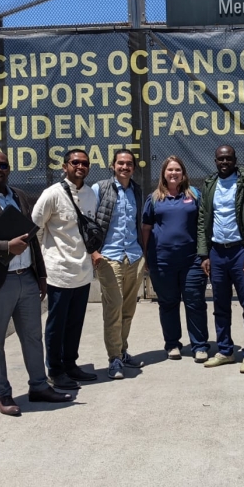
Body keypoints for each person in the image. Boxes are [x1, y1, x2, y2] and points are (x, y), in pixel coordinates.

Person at [0, 150, 73, 416]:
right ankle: (2, 394)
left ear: (9, 169)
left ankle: (39, 386)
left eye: (2, 165)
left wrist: (41, 275)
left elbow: (32, 238)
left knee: (33, 337)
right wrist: (5, 247)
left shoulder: (19, 196)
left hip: (27, 279)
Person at [197, 145, 244, 373]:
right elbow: (202, 221)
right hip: (217, 253)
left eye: (228, 158)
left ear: (235, 159)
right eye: (220, 159)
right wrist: (204, 253)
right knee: (220, 305)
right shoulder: (209, 184)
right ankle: (225, 350)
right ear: (215, 160)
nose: (224, 162)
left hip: (241, 252)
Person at [32, 149, 100, 386]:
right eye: (75, 162)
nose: (80, 166)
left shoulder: (91, 194)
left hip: (82, 271)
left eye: (84, 163)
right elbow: (36, 229)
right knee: (56, 324)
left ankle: (71, 364)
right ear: (65, 166)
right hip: (58, 271)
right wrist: (41, 265)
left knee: (75, 323)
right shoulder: (51, 194)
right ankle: (55, 369)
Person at [141, 156, 211, 362]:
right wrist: (146, 255)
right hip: (162, 261)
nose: (174, 173)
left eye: (177, 170)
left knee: (195, 303)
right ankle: (172, 344)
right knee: (168, 303)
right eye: (170, 170)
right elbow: (146, 228)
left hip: (192, 261)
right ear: (163, 173)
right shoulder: (154, 198)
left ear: (183, 173)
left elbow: (203, 226)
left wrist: (205, 254)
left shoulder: (195, 195)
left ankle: (199, 345)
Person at [91, 150, 146, 380]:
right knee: (113, 308)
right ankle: (113, 358)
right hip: (109, 257)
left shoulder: (137, 190)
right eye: (120, 163)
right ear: (112, 165)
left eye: (129, 164)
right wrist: (94, 252)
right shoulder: (100, 188)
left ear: (134, 167)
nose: (125, 167)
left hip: (133, 256)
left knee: (128, 310)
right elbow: (88, 222)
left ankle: (122, 351)